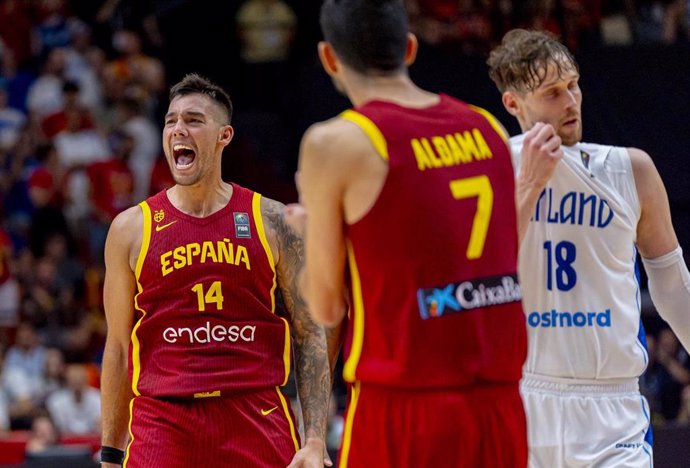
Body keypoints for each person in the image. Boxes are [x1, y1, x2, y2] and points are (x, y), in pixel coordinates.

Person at [284, 1, 528, 467]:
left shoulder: (335, 142)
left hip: (405, 405)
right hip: (500, 407)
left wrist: (310, 236)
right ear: (410, 48)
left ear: (329, 58)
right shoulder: (489, 127)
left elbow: (326, 306)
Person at [100, 73, 333, 468]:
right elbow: (120, 347)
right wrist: (110, 455)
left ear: (224, 135)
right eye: (171, 121)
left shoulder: (272, 220)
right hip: (164, 423)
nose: (178, 129)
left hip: (254, 416)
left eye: (193, 120)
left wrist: (314, 440)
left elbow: (310, 335)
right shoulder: (130, 228)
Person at [487, 28, 690, 467]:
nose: (571, 102)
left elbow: (673, 288)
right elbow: (481, 278)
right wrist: (529, 188)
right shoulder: (493, 168)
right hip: (522, 399)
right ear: (513, 104)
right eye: (552, 92)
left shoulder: (630, 170)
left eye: (573, 85)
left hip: (611, 409)